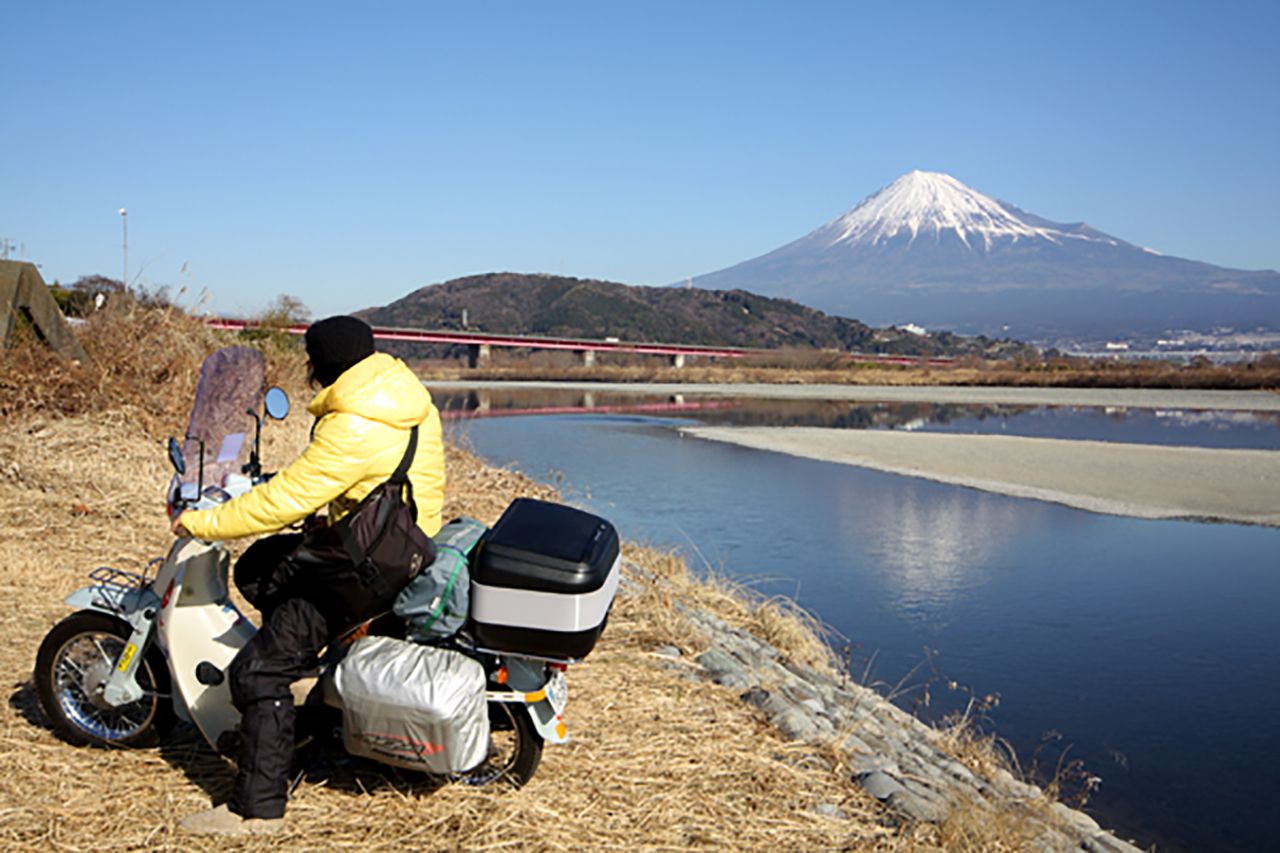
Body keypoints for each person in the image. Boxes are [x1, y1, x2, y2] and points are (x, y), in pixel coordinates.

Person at [173, 315, 445, 836]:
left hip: (367, 566)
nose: (308, 371)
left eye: (311, 361)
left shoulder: (355, 423)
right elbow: (353, 478)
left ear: (324, 364)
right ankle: (304, 718)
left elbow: (286, 500)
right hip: (399, 542)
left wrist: (201, 524)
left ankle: (257, 811)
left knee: (258, 671)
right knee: (261, 567)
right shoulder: (398, 396)